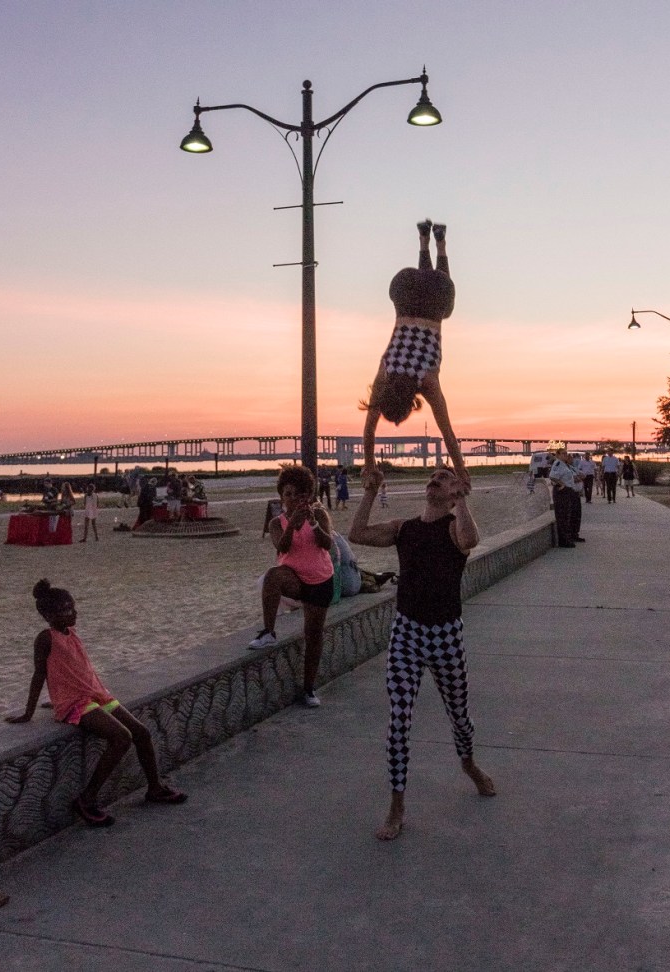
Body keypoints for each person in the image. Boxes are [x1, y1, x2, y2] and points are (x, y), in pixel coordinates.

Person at [349, 467, 496, 841]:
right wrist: (371, 490)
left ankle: (469, 764)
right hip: (407, 633)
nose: (435, 477)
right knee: (399, 718)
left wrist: (461, 499)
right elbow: (357, 533)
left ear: (452, 493)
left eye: (444, 477)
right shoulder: (404, 528)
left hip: (446, 634)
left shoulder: (454, 526)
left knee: (459, 716)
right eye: (433, 475)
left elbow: (470, 539)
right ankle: (397, 803)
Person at [5, 579, 186, 826]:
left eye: (73, 607)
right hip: (75, 702)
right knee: (121, 737)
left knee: (141, 733)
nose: (74, 613)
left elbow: (68, 669)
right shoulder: (46, 638)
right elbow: (39, 674)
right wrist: (29, 712)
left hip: (96, 694)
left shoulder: (71, 633)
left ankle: (154, 787)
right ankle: (86, 799)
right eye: (67, 610)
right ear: (48, 615)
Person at [360, 220, 469, 491]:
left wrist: (462, 471)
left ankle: (439, 243)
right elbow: (369, 431)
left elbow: (447, 432)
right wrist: (370, 463)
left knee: (442, 299)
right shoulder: (384, 375)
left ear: (411, 404)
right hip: (404, 283)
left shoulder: (427, 383)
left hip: (434, 293)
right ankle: (425, 240)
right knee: (429, 285)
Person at [248, 467, 334, 708]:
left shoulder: (319, 514)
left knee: (313, 635)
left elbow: (327, 544)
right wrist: (291, 526)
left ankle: (308, 689)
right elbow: (282, 548)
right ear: (281, 496)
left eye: (299, 495)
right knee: (272, 576)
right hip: (294, 578)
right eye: (288, 494)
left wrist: (313, 524)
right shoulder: (277, 522)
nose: (294, 500)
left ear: (307, 496)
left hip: (320, 580)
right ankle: (268, 632)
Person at [549, 448, 578, 547]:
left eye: (566, 453)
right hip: (562, 492)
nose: (565, 455)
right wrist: (562, 485)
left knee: (567, 516)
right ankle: (563, 541)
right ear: (557, 455)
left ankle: (567, 539)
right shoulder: (557, 464)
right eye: (563, 454)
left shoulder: (564, 464)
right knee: (562, 516)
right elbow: (552, 476)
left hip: (568, 492)